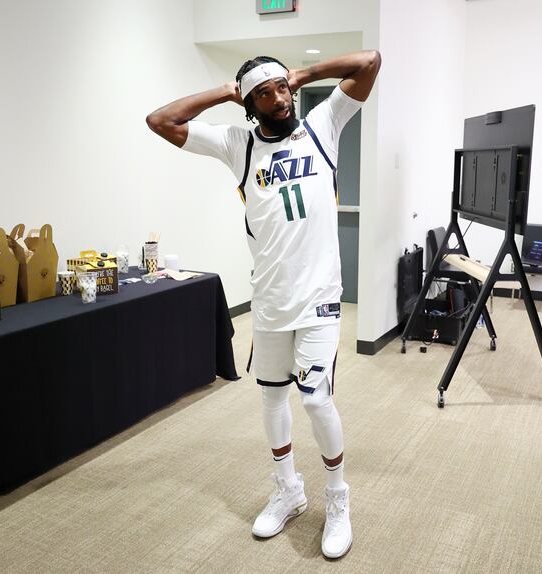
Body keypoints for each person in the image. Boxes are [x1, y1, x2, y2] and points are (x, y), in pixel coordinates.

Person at [146, 50, 381, 559]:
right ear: (249, 105)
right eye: (265, 93)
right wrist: (229, 93)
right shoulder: (238, 145)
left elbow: (369, 61)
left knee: (316, 399)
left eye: (282, 88)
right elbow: (161, 121)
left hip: (319, 297)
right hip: (270, 300)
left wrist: (304, 73)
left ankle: (337, 498)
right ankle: (289, 490)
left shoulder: (323, 124)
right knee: (272, 398)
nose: (279, 98)